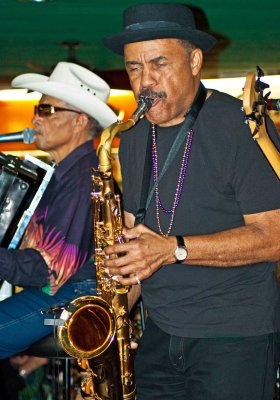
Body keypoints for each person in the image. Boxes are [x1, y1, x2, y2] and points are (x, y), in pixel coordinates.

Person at [102, 3, 280, 400]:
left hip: (234, 335)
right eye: (134, 68)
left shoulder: (241, 125)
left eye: (159, 63)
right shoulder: (130, 136)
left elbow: (274, 236)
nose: (145, 81)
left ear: (195, 60)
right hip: (160, 332)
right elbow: (135, 244)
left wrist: (174, 250)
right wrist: (111, 320)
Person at [0, 61, 117, 397]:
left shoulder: (82, 179)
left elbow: (49, 271)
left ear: (80, 121)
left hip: (73, 295)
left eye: (46, 109)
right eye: (38, 108)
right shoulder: (61, 174)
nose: (35, 118)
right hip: (57, 292)